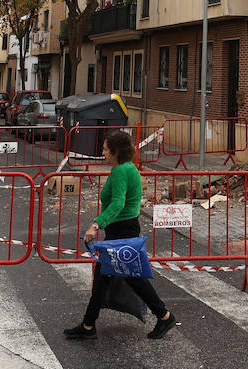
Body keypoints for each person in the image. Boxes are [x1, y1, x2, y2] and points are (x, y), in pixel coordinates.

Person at [65, 130, 176, 340]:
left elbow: (118, 203)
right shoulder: (127, 168)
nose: (103, 152)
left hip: (122, 230)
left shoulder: (121, 171)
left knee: (131, 278)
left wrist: (96, 225)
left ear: (116, 151)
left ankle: (164, 316)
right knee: (104, 277)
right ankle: (88, 325)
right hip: (122, 229)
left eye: (106, 148)